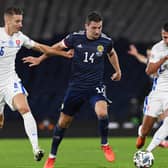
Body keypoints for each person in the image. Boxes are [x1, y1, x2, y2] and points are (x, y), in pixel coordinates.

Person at [23, 11, 121, 168]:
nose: (97, 31)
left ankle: (105, 144)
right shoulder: (74, 38)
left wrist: (118, 70)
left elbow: (112, 53)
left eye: (100, 27)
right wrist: (40, 59)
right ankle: (52, 156)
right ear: (86, 26)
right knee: (63, 123)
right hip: (76, 88)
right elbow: (56, 47)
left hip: (95, 86)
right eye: (94, 28)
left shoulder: (106, 41)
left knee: (102, 112)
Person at [0, 7, 70, 161]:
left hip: (10, 80)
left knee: (24, 108)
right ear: (7, 21)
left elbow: (41, 47)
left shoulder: (20, 37)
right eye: (17, 21)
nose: (20, 24)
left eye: (21, 21)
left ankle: (36, 148)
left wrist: (63, 54)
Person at [135, 22, 168, 153]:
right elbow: (149, 71)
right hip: (158, 92)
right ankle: (142, 134)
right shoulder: (158, 48)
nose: (166, 40)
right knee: (146, 128)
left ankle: (148, 152)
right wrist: (164, 59)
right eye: (164, 37)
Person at [128, 44, 168, 148]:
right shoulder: (153, 64)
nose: (149, 56)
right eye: (148, 54)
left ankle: (161, 140)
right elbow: (144, 61)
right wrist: (136, 54)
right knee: (148, 126)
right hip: (156, 95)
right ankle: (142, 133)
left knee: (165, 117)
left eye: (150, 54)